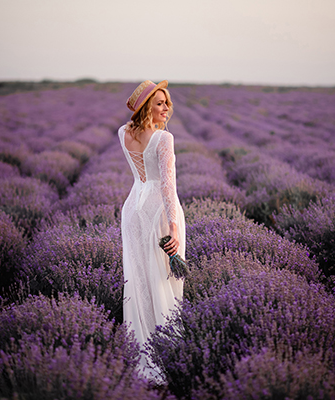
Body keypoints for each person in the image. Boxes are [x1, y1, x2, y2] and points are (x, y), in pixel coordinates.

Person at [118, 80, 185, 380]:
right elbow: (168, 188)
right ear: (147, 106)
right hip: (159, 212)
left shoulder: (123, 133)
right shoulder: (164, 139)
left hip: (132, 210)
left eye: (166, 102)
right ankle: (166, 351)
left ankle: (141, 350)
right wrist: (174, 229)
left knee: (138, 279)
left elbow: (141, 177)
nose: (166, 107)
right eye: (159, 102)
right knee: (163, 280)